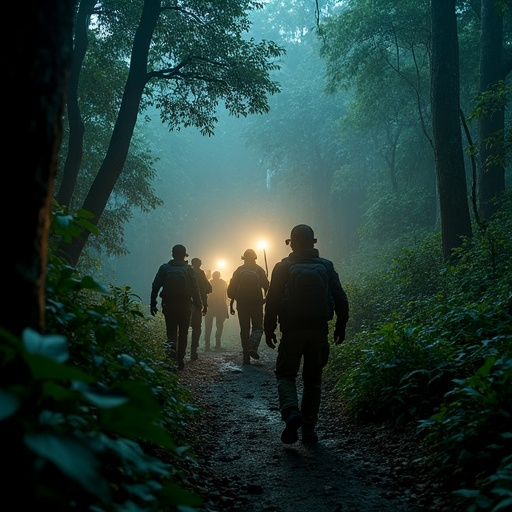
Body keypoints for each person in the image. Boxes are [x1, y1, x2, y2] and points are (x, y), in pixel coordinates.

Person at [264, 224, 349, 445]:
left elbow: (272, 301)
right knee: (313, 381)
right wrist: (341, 326)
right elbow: (340, 298)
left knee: (285, 374)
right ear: (313, 243)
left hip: (292, 331)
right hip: (319, 331)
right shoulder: (326, 266)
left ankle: (292, 413)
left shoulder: (283, 267)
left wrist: (269, 328)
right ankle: (309, 430)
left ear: (290, 243)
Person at [150, 244, 202, 370]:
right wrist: (199, 305)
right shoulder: (189, 269)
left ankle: (170, 357)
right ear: (185, 255)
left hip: (169, 305)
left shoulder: (164, 268)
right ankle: (180, 359)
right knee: (183, 333)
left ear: (172, 254)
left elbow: (155, 286)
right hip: (185, 306)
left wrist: (153, 303)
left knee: (171, 331)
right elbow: (195, 289)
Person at [227, 248, 269, 365]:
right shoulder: (259, 270)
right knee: (258, 327)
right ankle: (252, 347)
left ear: (244, 258)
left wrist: (232, 303)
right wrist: (265, 298)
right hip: (256, 303)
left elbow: (231, 291)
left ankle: (246, 356)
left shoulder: (239, 270)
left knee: (244, 329)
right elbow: (266, 286)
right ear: (255, 258)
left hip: (242, 304)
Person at [190, 257, 212, 361]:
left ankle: (177, 352)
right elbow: (206, 289)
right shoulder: (200, 273)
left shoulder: (186, 270)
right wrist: (205, 304)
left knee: (182, 328)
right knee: (196, 327)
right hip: (197, 303)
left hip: (185, 303)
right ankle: (193, 352)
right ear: (199, 264)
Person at [204, 271, 229, 351]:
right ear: (219, 276)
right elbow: (226, 294)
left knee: (208, 327)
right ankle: (218, 344)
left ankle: (207, 346)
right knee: (219, 326)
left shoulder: (209, 282)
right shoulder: (223, 283)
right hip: (220, 306)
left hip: (210, 307)